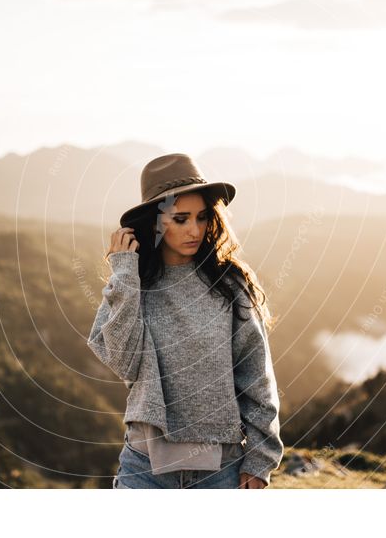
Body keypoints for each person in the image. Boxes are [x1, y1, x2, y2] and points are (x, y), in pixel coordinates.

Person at [87, 153, 283, 489]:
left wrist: (260, 458)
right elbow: (125, 363)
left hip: (221, 472)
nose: (195, 230)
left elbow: (255, 374)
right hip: (144, 470)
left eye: (202, 217)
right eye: (181, 219)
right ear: (155, 222)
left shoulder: (230, 285)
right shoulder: (133, 284)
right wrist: (123, 272)